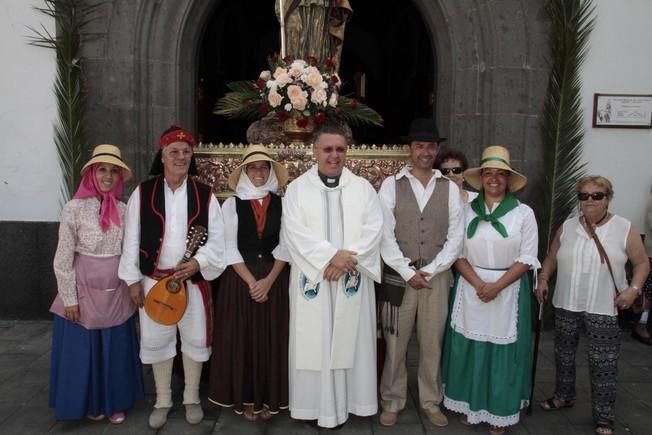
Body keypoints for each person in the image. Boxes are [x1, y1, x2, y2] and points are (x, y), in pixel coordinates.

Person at [118, 126, 226, 429]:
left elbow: (218, 241)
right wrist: (131, 281)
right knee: (157, 340)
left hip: (192, 281)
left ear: (192, 157)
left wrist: (198, 263)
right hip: (153, 281)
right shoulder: (144, 192)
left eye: (186, 151)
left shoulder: (205, 195)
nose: (181, 157)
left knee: (194, 339)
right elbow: (131, 238)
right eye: (174, 151)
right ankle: (163, 399)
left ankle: (191, 397)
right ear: (162, 156)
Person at [282, 121, 383, 428]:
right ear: (315, 151)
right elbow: (294, 232)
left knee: (350, 341)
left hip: (349, 279)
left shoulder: (363, 188)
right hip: (314, 279)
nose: (334, 155)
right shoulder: (297, 190)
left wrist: (343, 261)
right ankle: (314, 407)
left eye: (340, 149)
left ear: (346, 151)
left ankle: (352, 403)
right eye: (327, 149)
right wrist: (329, 256)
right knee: (315, 342)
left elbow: (374, 229)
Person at [536, 175, 649, 435]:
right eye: (584, 195)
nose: (590, 200)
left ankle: (604, 416)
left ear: (608, 198)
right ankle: (564, 395)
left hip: (604, 306)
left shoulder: (624, 227)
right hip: (566, 302)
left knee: (603, 363)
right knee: (563, 355)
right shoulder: (567, 227)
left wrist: (633, 290)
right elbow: (552, 257)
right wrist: (543, 278)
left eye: (597, 195)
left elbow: (642, 264)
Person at [441, 145, 539, 435]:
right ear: (480, 177)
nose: (493, 179)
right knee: (470, 348)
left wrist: (496, 286)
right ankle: (472, 406)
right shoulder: (465, 211)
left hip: (507, 288)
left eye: (500, 174)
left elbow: (527, 256)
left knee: (503, 351)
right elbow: (456, 252)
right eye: (488, 173)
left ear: (509, 179)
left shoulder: (524, 214)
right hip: (471, 285)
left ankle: (499, 410)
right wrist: (479, 284)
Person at [377, 118, 464, 428]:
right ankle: (392, 399)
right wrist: (405, 269)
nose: (425, 152)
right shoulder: (391, 185)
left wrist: (430, 269)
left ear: (436, 150)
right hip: (398, 276)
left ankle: (430, 400)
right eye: (419, 146)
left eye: (430, 146)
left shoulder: (449, 189)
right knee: (395, 343)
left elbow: (456, 236)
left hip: (435, 278)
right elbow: (384, 233)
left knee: (432, 343)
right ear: (409, 149)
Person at [49, 144, 143, 423]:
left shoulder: (125, 210)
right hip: (83, 290)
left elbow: (131, 249)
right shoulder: (74, 209)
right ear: (91, 173)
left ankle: (114, 402)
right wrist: (69, 298)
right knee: (84, 352)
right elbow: (63, 256)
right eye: (102, 170)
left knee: (113, 350)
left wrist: (133, 283)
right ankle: (87, 403)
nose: (107, 176)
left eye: (114, 171)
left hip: (116, 292)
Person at [208, 145, 291, 421]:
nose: (258, 172)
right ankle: (243, 398)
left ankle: (270, 398)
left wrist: (267, 281)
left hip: (274, 279)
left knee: (272, 338)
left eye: (263, 167)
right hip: (240, 280)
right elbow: (228, 247)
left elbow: (287, 245)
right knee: (242, 338)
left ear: (270, 171)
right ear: (244, 171)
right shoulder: (232, 204)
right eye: (253, 167)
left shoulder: (283, 203)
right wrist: (252, 282)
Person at [275, 0, 352, 68]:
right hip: (296, 7)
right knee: (294, 37)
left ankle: (317, 75)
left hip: (321, 8)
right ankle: (293, 73)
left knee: (318, 39)